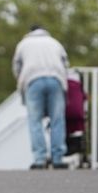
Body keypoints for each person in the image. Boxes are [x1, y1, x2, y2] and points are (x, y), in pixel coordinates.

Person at [12, 25, 69, 170]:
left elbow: (17, 67)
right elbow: (65, 64)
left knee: (35, 121)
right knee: (57, 120)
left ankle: (39, 159)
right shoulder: (55, 43)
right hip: (56, 80)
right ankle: (58, 159)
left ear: (30, 32)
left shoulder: (23, 44)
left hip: (33, 81)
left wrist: (21, 83)